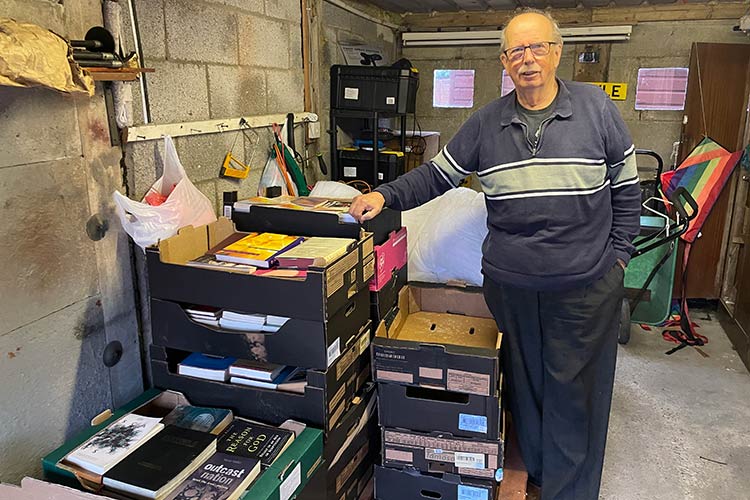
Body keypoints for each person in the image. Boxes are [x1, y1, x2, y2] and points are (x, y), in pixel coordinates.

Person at [348, 9, 641, 500]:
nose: (527, 60)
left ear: (557, 51)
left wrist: (619, 257)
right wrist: (386, 196)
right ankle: (543, 477)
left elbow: (627, 189)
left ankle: (570, 493)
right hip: (513, 287)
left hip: (585, 286)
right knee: (528, 391)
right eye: (515, 51)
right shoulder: (487, 123)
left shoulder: (595, 109)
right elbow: (435, 175)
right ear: (504, 61)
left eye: (537, 47)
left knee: (576, 396)